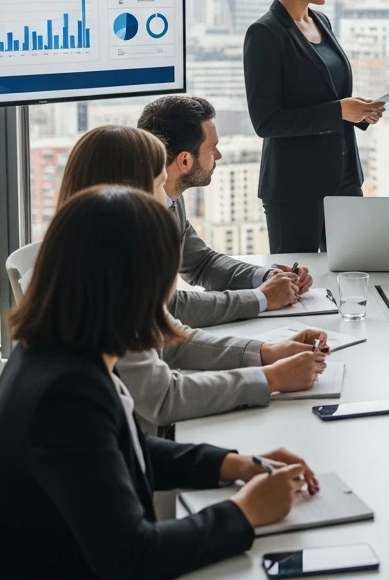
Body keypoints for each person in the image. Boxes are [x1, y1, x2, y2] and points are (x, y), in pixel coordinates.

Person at [0, 184, 312, 580]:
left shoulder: (55, 356)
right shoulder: (65, 393)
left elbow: (133, 449)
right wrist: (246, 511)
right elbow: (135, 559)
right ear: (131, 286)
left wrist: (232, 464)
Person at [50, 125, 329, 431]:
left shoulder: (96, 259)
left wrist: (265, 353)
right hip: (135, 448)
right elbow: (162, 398)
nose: (167, 199)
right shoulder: (107, 285)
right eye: (159, 183)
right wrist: (272, 378)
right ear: (127, 193)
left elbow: (169, 339)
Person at [243, 0, 386, 253]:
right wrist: (339, 112)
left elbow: (330, 96)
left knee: (354, 273)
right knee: (300, 290)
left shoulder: (320, 21)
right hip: (295, 189)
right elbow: (267, 121)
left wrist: (358, 112)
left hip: (345, 178)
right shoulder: (265, 34)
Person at [138, 94, 311, 326]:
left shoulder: (171, 198)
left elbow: (200, 264)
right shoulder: (134, 217)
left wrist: (266, 277)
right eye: (212, 148)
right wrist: (260, 298)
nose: (218, 155)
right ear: (185, 161)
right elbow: (169, 308)